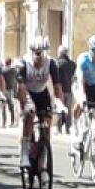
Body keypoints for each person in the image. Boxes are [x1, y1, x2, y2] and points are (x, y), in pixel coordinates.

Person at [15, 36, 63, 169]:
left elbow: (57, 85)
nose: (40, 57)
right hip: (27, 93)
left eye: (43, 53)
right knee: (29, 116)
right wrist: (24, 106)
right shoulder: (24, 63)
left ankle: (43, 157)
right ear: (32, 53)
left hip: (42, 93)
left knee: (47, 125)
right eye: (37, 53)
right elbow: (21, 88)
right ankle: (24, 152)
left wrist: (59, 102)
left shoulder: (51, 63)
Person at [71, 35, 95, 148]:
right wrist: (82, 96)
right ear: (90, 50)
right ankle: (75, 126)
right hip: (81, 84)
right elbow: (80, 79)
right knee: (80, 103)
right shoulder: (83, 59)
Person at [56, 45, 76, 133]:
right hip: (69, 89)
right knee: (68, 109)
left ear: (60, 53)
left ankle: (59, 128)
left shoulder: (57, 63)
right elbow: (73, 74)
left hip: (60, 90)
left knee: (60, 109)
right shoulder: (72, 64)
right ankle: (68, 128)